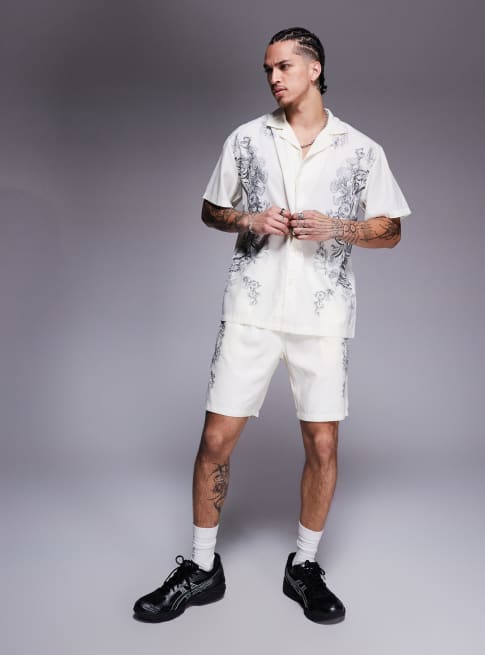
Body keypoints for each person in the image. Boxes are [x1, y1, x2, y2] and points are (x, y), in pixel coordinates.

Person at [133, 26, 411, 625]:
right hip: (251, 311)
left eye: (283, 66)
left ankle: (303, 566)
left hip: (322, 316)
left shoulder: (362, 150)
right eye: (268, 69)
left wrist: (337, 227)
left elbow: (391, 229)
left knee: (323, 443)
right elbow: (211, 209)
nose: (274, 77)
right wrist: (250, 219)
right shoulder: (245, 139)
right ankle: (201, 569)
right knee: (215, 440)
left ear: (315, 69)